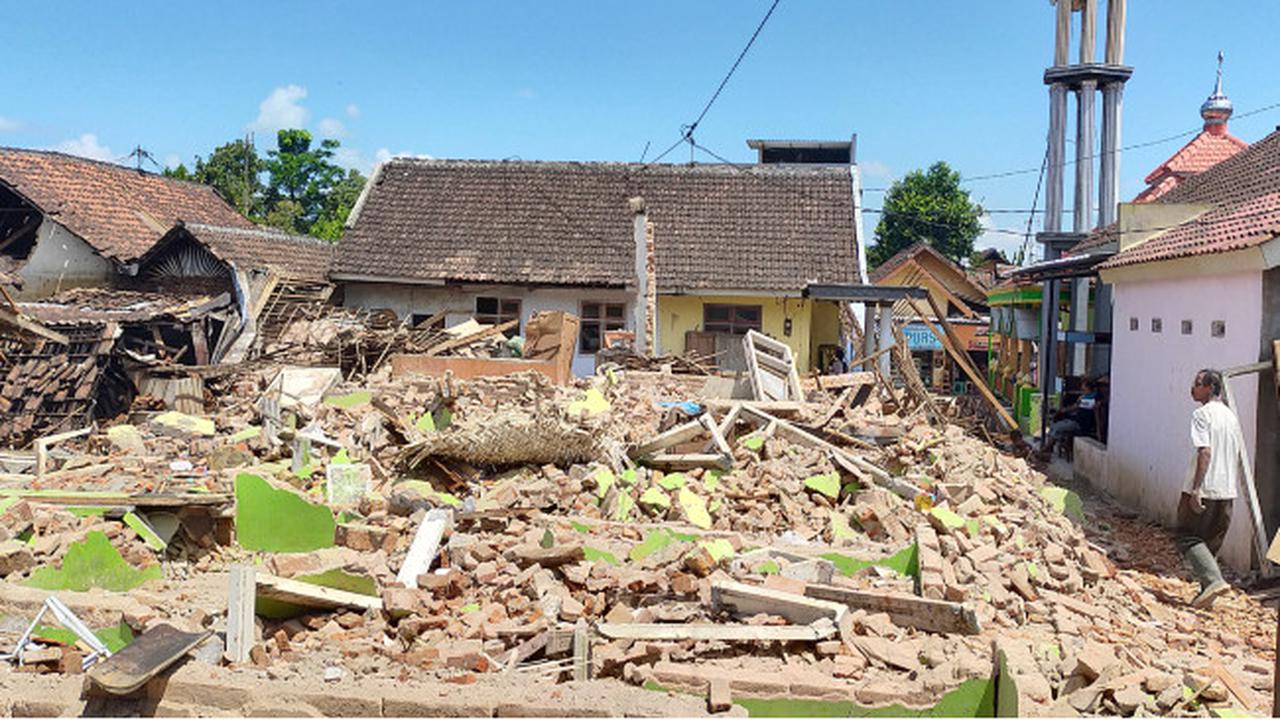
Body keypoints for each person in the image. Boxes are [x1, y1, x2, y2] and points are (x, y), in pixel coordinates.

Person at [1178, 368, 1243, 608]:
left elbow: (1204, 451)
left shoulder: (1202, 414)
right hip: (1227, 489)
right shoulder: (1231, 417)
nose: (1192, 388)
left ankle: (1213, 581)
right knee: (1210, 542)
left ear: (1210, 388)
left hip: (1205, 487)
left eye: (1197, 383)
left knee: (1186, 536)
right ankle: (1208, 592)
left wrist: (1196, 489)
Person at [1040, 378, 1100, 459]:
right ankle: (1048, 449)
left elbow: (1077, 408)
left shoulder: (1094, 399)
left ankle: (1045, 449)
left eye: (1084, 389)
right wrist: (1062, 410)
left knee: (1057, 427)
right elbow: (1074, 407)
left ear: (1089, 388)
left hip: (1081, 424)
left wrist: (1065, 410)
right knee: (1054, 426)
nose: (1082, 391)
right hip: (1076, 420)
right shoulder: (1082, 398)